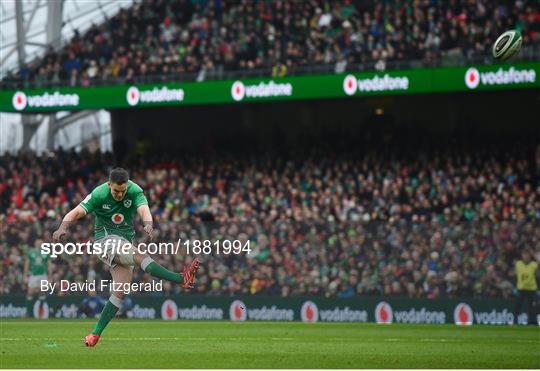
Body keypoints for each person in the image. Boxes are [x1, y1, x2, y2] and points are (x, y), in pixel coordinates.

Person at [53, 168, 200, 347]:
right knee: (140, 255)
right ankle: (180, 278)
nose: (120, 195)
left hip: (123, 244)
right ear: (109, 185)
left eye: (123, 191)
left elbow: (144, 209)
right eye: (116, 191)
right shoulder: (99, 193)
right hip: (104, 242)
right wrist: (62, 228)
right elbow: (75, 212)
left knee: (120, 291)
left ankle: (95, 335)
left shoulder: (135, 190)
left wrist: (148, 224)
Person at [23, 240, 51, 318]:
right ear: (35, 244)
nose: (39, 244)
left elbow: (49, 264)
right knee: (30, 293)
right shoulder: (31, 252)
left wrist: (50, 276)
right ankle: (28, 313)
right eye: (38, 243)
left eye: (40, 243)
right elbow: (27, 263)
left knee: (42, 292)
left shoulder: (46, 252)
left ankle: (41, 313)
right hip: (34, 275)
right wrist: (25, 275)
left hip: (43, 275)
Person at [513, 250, 538, 325]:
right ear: (522, 255)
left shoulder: (534, 264)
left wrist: (535, 255)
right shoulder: (518, 264)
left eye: (527, 255)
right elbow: (516, 273)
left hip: (531, 289)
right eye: (524, 255)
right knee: (517, 306)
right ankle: (515, 321)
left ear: (530, 256)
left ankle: (532, 322)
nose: (526, 257)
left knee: (532, 307)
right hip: (521, 288)